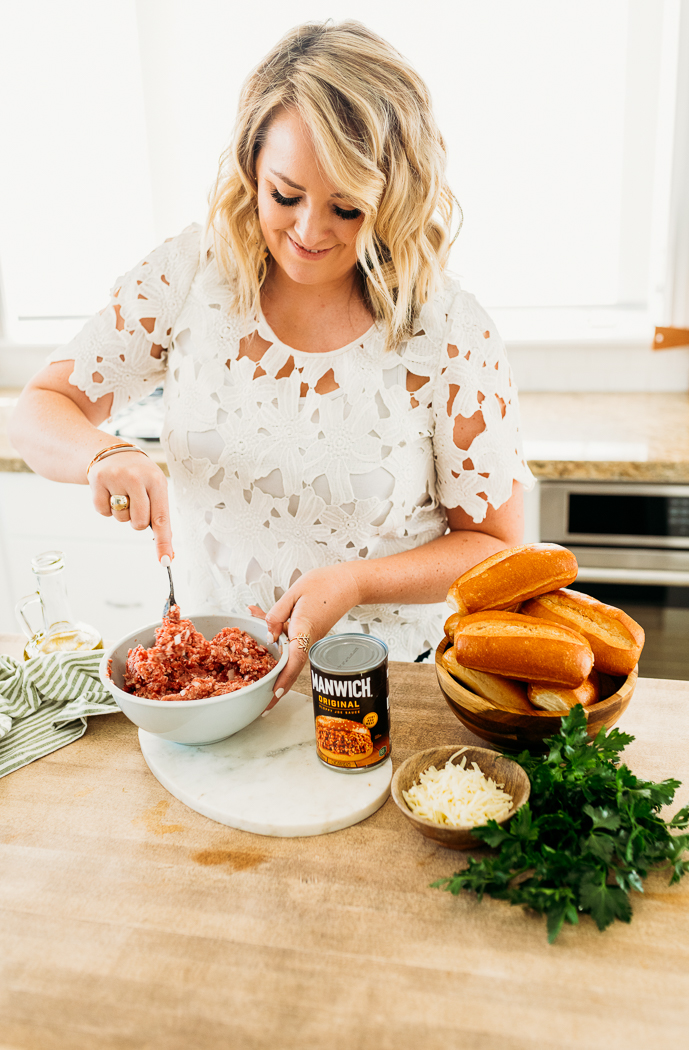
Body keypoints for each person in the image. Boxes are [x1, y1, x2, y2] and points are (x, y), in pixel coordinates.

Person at [10, 20, 534, 703]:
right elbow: (38, 412)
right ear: (252, 163)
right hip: (211, 687)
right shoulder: (190, 277)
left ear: (392, 199)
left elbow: (497, 548)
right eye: (285, 195)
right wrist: (103, 456)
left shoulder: (448, 333)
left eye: (346, 208)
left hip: (386, 690)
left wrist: (355, 583)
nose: (310, 232)